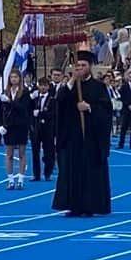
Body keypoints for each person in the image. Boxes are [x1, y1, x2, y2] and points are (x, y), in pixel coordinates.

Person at [52, 49, 113, 217]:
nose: (80, 68)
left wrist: (90, 108)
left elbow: (107, 111)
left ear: (90, 67)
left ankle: (89, 206)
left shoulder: (98, 87)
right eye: (77, 65)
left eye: (83, 65)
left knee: (89, 172)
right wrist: (72, 80)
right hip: (73, 138)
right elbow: (60, 102)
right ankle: (73, 205)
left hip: (91, 138)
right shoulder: (70, 87)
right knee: (72, 171)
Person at [0, 68, 32, 189]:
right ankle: (10, 180)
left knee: (21, 153)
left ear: (20, 78)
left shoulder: (25, 92)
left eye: (16, 77)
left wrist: (10, 101)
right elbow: (1, 111)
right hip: (8, 126)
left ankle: (20, 179)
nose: (13, 79)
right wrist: (0, 124)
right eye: (11, 77)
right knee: (8, 154)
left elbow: (23, 108)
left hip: (21, 125)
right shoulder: (5, 92)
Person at [30, 77, 56, 181]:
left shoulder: (52, 99)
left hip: (48, 129)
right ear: (38, 86)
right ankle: (36, 174)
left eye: (45, 85)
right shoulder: (34, 98)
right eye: (41, 85)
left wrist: (41, 114)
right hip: (36, 128)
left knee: (48, 152)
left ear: (48, 87)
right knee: (35, 152)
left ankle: (47, 173)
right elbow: (28, 109)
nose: (43, 87)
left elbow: (52, 113)